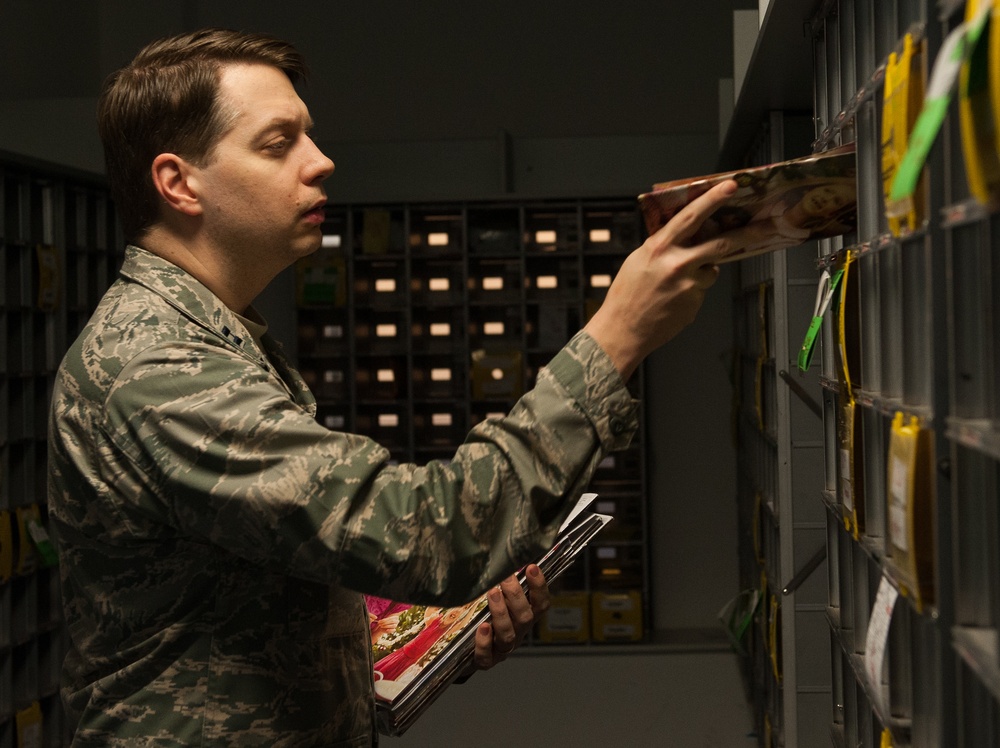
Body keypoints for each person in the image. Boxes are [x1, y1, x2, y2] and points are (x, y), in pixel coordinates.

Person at [47, 28, 746, 747]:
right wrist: (617, 337)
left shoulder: (214, 338)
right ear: (178, 182)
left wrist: (432, 638)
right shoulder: (156, 366)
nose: (321, 163)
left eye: (309, 137)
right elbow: (431, 534)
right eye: (277, 141)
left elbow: (232, 613)